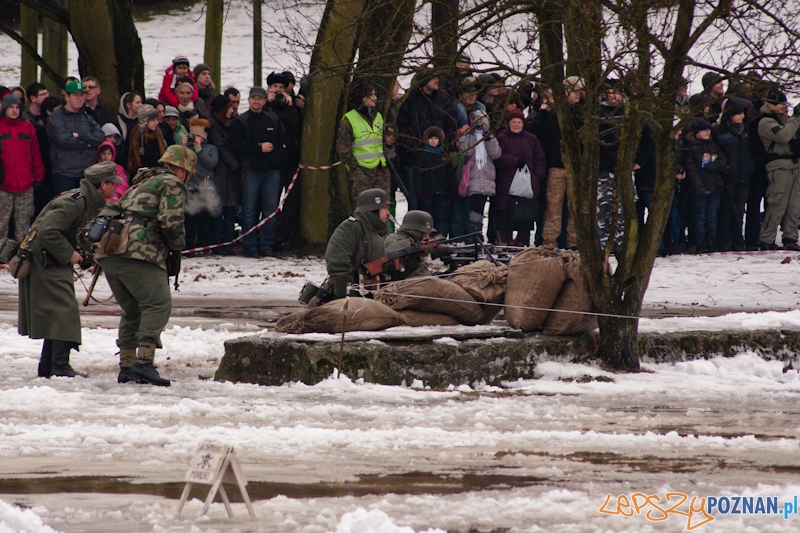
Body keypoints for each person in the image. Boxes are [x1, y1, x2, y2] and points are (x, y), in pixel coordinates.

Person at [95, 145, 197, 386]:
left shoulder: (144, 181)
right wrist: (177, 247)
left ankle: (127, 366)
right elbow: (171, 222)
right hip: (138, 251)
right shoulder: (172, 182)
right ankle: (144, 364)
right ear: (183, 169)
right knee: (158, 304)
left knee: (132, 309)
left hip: (110, 250)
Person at [19, 161, 121, 378]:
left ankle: (48, 366)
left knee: (56, 311)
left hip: (50, 258)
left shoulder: (83, 200)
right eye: (113, 184)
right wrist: (71, 255)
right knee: (65, 310)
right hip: (45, 259)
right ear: (103, 184)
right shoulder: (75, 202)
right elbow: (48, 231)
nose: (116, 188)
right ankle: (60, 366)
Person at [231, 86, 286, 257]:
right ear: (248, 100)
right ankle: (250, 246)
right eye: (253, 98)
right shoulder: (241, 120)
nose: (256, 101)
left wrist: (276, 160)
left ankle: (267, 245)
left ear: (264, 101)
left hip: (271, 172)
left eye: (260, 98)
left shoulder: (273, 119)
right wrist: (258, 147)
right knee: (249, 210)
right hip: (250, 171)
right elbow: (236, 145)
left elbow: (282, 142)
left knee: (270, 210)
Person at [537, 76, 584, 249]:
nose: (578, 94)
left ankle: (573, 242)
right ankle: (550, 242)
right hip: (556, 166)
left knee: (575, 206)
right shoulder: (554, 114)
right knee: (553, 206)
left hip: (575, 168)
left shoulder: (581, 114)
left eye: (579, 90)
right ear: (565, 92)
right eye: (574, 90)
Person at [325, 188, 391, 300]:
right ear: (373, 209)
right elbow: (338, 262)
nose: (388, 213)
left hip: (370, 297)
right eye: (385, 208)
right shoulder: (351, 227)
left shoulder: (376, 233)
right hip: (348, 297)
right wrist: (348, 295)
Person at [494, 109, 546, 246]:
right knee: (507, 212)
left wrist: (537, 177)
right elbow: (498, 158)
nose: (516, 125)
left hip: (528, 183)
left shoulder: (531, 139)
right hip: (507, 182)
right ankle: (508, 240)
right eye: (513, 122)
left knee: (525, 213)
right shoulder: (502, 138)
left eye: (519, 122)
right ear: (508, 123)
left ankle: (522, 240)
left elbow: (540, 159)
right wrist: (514, 161)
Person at [756, 90, 800, 251]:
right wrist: (796, 119)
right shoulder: (766, 122)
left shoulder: (786, 120)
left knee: (794, 206)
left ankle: (790, 237)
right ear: (771, 105)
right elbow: (783, 136)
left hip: (795, 166)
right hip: (779, 167)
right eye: (782, 104)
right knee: (777, 205)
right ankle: (766, 238)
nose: (785, 107)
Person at [0, 93, 45, 248]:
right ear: (4, 109)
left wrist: (38, 177)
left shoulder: (28, 128)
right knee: (1, 225)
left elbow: (36, 155)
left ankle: (21, 258)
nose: (14, 111)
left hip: (25, 184)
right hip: (4, 185)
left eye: (17, 107)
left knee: (24, 225)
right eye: (11, 107)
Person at [337, 81, 390, 208]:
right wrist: (356, 168)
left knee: (382, 209)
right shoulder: (349, 120)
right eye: (371, 95)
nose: (375, 98)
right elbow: (343, 149)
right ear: (361, 97)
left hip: (380, 169)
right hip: (361, 173)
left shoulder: (378, 116)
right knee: (363, 210)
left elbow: (382, 142)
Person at [46, 80, 105, 194]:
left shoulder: (87, 117)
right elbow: (62, 139)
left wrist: (78, 135)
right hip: (65, 173)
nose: (79, 98)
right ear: (67, 97)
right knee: (66, 209)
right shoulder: (56, 117)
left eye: (82, 95)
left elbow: (99, 137)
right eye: (75, 95)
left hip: (87, 172)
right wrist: (87, 143)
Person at [713, 97, 754, 251]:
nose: (742, 116)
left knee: (739, 209)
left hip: (744, 175)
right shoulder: (718, 131)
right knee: (726, 211)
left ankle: (738, 239)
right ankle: (725, 241)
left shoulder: (747, 130)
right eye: (738, 113)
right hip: (727, 177)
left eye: (743, 113)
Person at [682, 118, 728, 253]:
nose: (708, 132)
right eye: (704, 130)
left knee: (712, 216)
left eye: (708, 129)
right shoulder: (691, 148)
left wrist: (716, 165)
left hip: (714, 187)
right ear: (696, 132)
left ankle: (711, 242)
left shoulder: (714, 146)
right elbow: (692, 170)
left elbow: (724, 163)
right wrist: (698, 187)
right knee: (700, 216)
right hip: (699, 188)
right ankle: (699, 242)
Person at [457, 109, 501, 236]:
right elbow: (466, 152)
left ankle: (476, 234)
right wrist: (470, 134)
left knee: (479, 210)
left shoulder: (491, 138)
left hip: (486, 181)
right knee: (469, 210)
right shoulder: (467, 137)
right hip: (471, 180)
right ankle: (470, 234)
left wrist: (488, 137)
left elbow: (496, 154)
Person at [208, 95, 240, 255]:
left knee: (230, 210)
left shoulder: (232, 123)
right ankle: (217, 244)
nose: (232, 110)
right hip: (220, 172)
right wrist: (235, 164)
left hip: (230, 174)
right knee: (218, 210)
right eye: (228, 107)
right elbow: (220, 147)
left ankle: (228, 243)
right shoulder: (213, 125)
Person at [184, 118, 219, 252]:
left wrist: (199, 149)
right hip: (190, 187)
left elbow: (211, 163)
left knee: (205, 218)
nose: (195, 139)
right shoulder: (188, 148)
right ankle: (189, 246)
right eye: (193, 135)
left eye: (198, 136)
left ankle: (204, 245)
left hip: (206, 188)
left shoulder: (211, 148)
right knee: (190, 218)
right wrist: (184, 147)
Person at [413, 127, 453, 237]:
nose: (433, 141)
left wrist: (450, 189)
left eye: (436, 138)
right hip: (427, 192)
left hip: (441, 192)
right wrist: (418, 190)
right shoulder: (422, 155)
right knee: (427, 216)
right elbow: (417, 175)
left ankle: (441, 236)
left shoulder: (444, 155)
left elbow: (449, 174)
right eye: (431, 138)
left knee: (441, 216)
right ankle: (427, 236)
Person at [384, 210, 437, 280]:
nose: (428, 237)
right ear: (418, 232)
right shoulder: (408, 245)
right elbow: (424, 277)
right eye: (426, 233)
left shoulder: (392, 237)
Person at [126, 104, 167, 176]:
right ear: (145, 121)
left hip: (158, 174)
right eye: (153, 120)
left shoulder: (158, 134)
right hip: (141, 175)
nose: (157, 122)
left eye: (157, 119)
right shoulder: (134, 135)